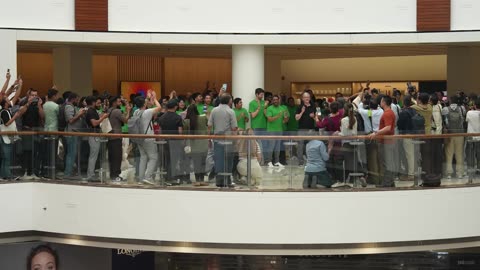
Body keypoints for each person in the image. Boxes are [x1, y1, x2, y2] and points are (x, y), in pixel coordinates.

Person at [208, 93, 238, 187]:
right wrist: (236, 140)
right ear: (229, 101)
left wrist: (209, 138)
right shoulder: (231, 111)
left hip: (217, 140)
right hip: (228, 139)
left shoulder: (214, 110)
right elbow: (234, 128)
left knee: (218, 160)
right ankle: (227, 180)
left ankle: (219, 181)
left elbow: (209, 125)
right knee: (228, 160)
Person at [134, 91, 162, 184]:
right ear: (144, 103)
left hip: (139, 138)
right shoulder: (147, 112)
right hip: (148, 138)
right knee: (153, 157)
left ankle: (141, 179)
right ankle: (148, 177)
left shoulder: (136, 112)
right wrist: (154, 99)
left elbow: (148, 107)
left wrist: (149, 98)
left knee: (143, 157)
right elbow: (159, 108)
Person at [158, 99, 188, 184]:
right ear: (175, 107)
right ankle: (170, 178)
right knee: (173, 160)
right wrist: (182, 141)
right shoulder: (178, 117)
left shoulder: (162, 117)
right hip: (175, 142)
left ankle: (164, 177)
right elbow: (180, 132)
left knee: (165, 160)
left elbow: (160, 131)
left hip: (164, 141)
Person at [370, 95, 396, 187]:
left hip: (386, 142)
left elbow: (388, 128)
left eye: (381, 101)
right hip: (387, 141)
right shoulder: (389, 112)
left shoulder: (387, 113)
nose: (380, 103)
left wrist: (376, 133)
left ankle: (387, 182)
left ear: (384, 102)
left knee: (386, 162)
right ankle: (389, 181)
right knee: (387, 162)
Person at [20, 88, 45, 180]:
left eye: (36, 95)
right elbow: (20, 113)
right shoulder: (24, 103)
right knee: (27, 152)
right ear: (28, 95)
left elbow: (42, 116)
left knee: (34, 152)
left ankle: (33, 172)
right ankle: (25, 172)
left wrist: (39, 106)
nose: (34, 97)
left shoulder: (37, 105)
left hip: (36, 131)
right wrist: (28, 103)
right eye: (32, 95)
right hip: (26, 130)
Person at [84, 96, 109, 181]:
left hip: (95, 135)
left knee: (93, 155)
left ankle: (91, 174)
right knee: (93, 156)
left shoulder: (92, 110)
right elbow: (94, 123)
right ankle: (90, 175)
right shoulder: (90, 111)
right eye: (97, 102)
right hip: (94, 135)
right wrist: (103, 117)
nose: (98, 104)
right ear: (93, 102)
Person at [107, 96, 131, 183]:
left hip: (109, 135)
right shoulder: (117, 111)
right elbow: (125, 120)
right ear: (114, 102)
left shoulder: (109, 110)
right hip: (116, 136)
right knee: (117, 157)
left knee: (111, 157)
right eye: (119, 102)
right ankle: (116, 175)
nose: (120, 103)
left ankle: (112, 174)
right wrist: (128, 111)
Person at [442, 95, 466, 179]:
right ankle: (460, 173)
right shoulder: (462, 109)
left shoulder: (445, 109)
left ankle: (449, 173)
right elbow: (463, 120)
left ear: (450, 101)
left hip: (450, 134)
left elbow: (445, 122)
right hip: (460, 134)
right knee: (459, 154)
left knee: (449, 154)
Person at [185, 104, 209, 186]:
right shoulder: (203, 118)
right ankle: (202, 180)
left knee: (195, 163)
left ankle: (196, 180)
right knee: (203, 163)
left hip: (193, 145)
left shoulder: (187, 121)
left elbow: (185, 133)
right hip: (204, 144)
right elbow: (208, 124)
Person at [265, 95, 288, 167]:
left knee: (278, 147)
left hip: (279, 130)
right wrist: (278, 116)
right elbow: (269, 119)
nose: (275, 101)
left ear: (279, 100)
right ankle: (269, 161)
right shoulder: (269, 108)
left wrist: (286, 118)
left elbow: (285, 120)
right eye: (274, 100)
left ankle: (277, 161)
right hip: (271, 130)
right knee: (271, 146)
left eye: (276, 100)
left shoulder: (282, 108)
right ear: (272, 101)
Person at [295, 91, 316, 165]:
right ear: (302, 98)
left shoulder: (313, 106)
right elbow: (297, 118)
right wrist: (302, 112)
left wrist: (314, 117)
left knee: (311, 146)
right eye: (305, 97)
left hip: (311, 129)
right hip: (301, 129)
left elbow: (318, 118)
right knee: (300, 146)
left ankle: (310, 161)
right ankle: (300, 162)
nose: (307, 98)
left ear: (310, 98)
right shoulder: (299, 107)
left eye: (308, 97)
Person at [42, 88, 60, 179]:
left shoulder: (44, 105)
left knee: (46, 152)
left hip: (46, 130)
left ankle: (45, 171)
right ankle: (52, 172)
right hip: (54, 130)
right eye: (57, 95)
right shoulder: (56, 106)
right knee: (53, 153)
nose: (58, 97)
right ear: (53, 96)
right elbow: (59, 117)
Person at [249, 88, 268, 160]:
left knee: (265, 144)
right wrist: (259, 108)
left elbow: (267, 115)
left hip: (264, 126)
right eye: (261, 94)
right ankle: (259, 160)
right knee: (257, 145)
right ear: (256, 94)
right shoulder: (252, 103)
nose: (262, 96)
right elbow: (253, 115)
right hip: (256, 127)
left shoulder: (264, 103)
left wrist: (265, 108)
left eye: (263, 94)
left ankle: (264, 160)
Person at [466, 98, 480, 176]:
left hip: (470, 137)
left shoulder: (469, 113)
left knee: (470, 154)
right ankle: (479, 169)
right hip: (479, 137)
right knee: (479, 154)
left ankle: (470, 170)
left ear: (474, 105)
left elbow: (466, 120)